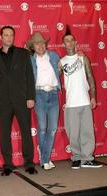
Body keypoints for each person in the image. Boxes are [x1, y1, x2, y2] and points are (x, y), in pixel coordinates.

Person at [0, 26, 37, 176]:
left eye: (11, 35)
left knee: (25, 132)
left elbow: (30, 76)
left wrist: (31, 97)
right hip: (3, 101)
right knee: (4, 133)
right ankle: (8, 164)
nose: (9, 38)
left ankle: (29, 163)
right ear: (1, 37)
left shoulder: (24, 54)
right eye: (6, 35)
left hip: (22, 99)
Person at [58, 26, 102, 169]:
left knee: (87, 131)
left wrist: (93, 97)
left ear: (75, 42)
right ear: (63, 44)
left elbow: (90, 77)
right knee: (73, 133)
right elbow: (54, 80)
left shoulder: (83, 58)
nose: (69, 43)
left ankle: (88, 158)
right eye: (66, 41)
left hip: (84, 101)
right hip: (70, 103)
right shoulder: (61, 62)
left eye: (71, 40)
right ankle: (76, 158)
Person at [27, 32, 61, 170]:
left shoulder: (53, 56)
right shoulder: (30, 60)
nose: (40, 46)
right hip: (39, 94)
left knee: (52, 129)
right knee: (42, 128)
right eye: (36, 43)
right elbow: (28, 79)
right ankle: (45, 159)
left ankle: (45, 159)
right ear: (33, 47)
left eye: (42, 43)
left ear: (45, 44)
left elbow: (61, 69)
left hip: (53, 94)